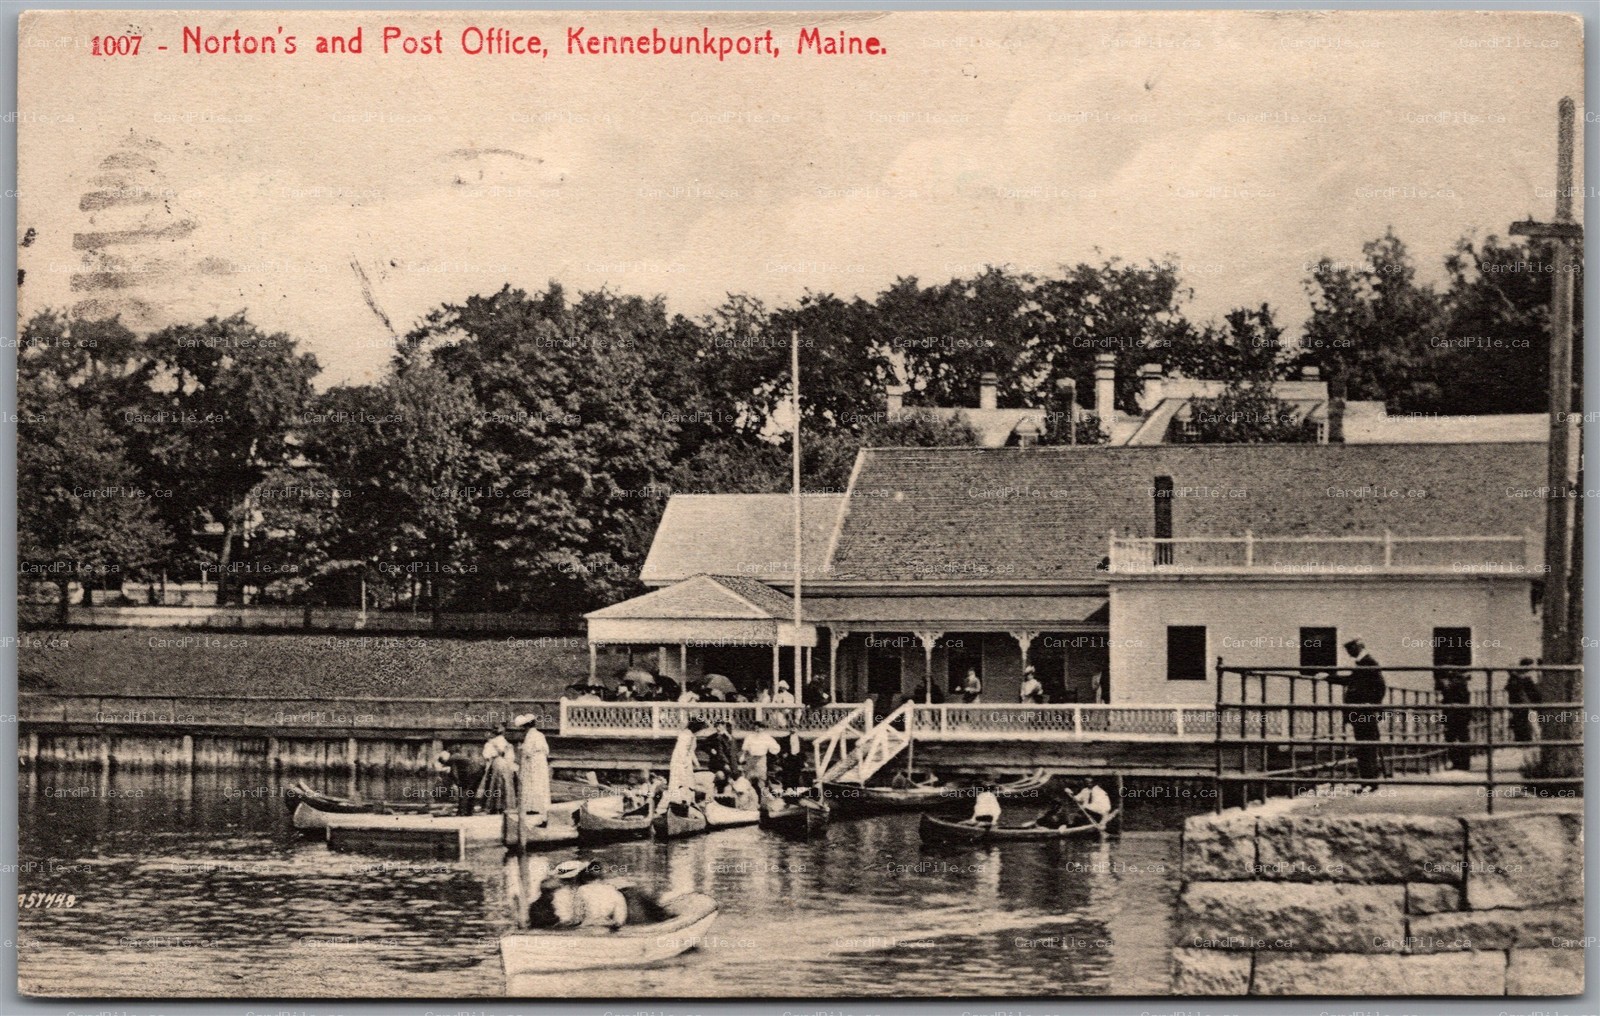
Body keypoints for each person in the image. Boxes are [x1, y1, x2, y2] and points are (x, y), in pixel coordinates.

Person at [1328, 638, 1388, 790]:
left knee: (1365, 747)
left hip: (1364, 712)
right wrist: (1329, 678)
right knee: (1366, 746)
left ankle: (1369, 782)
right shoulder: (1365, 663)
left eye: (1350, 650)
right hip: (1363, 711)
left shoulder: (1368, 663)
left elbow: (1380, 687)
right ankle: (1369, 782)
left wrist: (1370, 704)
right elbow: (1353, 680)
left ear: (1358, 647)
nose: (1349, 654)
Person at [1435, 667, 1473, 770]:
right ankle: (1463, 763)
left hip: (1455, 715)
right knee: (1461, 738)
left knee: (1452, 737)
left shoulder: (1455, 684)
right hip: (1460, 715)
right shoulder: (1461, 683)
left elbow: (1452, 699)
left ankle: (1458, 763)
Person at [1505, 659, 1539, 743]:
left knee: (1522, 722)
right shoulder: (1523, 678)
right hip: (1523, 704)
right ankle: (1525, 739)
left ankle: (1524, 739)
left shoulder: (1516, 678)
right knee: (1524, 723)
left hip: (1520, 704)